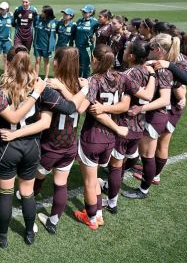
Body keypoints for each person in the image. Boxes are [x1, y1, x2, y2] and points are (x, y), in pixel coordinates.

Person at [0, 47, 88, 248]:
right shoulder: (40, 87)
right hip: (31, 146)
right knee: (27, 192)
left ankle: (3, 236)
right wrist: (85, 89)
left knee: (6, 194)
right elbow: (68, 108)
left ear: (8, 64)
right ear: (32, 65)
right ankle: (29, 233)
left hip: (7, 146)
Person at [91, 40, 156, 213]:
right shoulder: (148, 71)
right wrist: (154, 76)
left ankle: (111, 202)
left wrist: (103, 107)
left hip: (124, 125)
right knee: (123, 161)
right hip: (138, 126)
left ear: (132, 55)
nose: (124, 51)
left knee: (116, 165)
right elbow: (149, 95)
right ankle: (111, 190)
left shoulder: (128, 75)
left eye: (127, 49)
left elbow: (125, 104)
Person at [28, 47, 86, 234]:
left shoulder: (51, 85)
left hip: (51, 144)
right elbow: (80, 107)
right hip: (69, 144)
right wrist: (85, 88)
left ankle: (28, 197)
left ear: (57, 63)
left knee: (36, 177)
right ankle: (53, 221)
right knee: (61, 183)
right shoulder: (81, 85)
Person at [73, 44, 129, 230]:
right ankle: (98, 214)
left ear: (95, 60)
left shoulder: (93, 80)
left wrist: (83, 89)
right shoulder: (121, 78)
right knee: (95, 178)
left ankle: (91, 218)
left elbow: (81, 109)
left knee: (89, 181)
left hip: (93, 136)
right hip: (110, 139)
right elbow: (125, 105)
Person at [122, 33, 177, 199]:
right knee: (143, 154)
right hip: (151, 116)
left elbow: (165, 99)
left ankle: (143, 190)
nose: (149, 50)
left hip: (155, 117)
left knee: (147, 156)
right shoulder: (153, 65)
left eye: (152, 47)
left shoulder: (163, 71)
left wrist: (141, 108)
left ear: (159, 50)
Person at [74, 5, 99, 78]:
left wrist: (93, 37)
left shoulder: (94, 22)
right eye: (83, 11)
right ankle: (77, 79)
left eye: (85, 12)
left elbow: (98, 32)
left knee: (86, 66)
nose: (83, 13)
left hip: (87, 48)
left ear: (91, 12)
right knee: (78, 65)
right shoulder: (79, 20)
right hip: (78, 46)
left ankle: (85, 80)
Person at [33, 5, 57, 79]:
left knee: (46, 61)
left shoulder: (53, 21)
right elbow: (34, 24)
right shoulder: (38, 18)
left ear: (47, 13)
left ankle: (46, 77)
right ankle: (36, 76)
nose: (41, 13)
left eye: (43, 11)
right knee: (37, 60)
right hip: (37, 44)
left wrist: (51, 47)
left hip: (46, 46)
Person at [0, 2, 14, 75]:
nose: (1, 10)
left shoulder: (11, 17)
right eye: (1, 9)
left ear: (7, 9)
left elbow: (15, 24)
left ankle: (5, 73)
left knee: (6, 57)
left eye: (3, 9)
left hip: (7, 41)